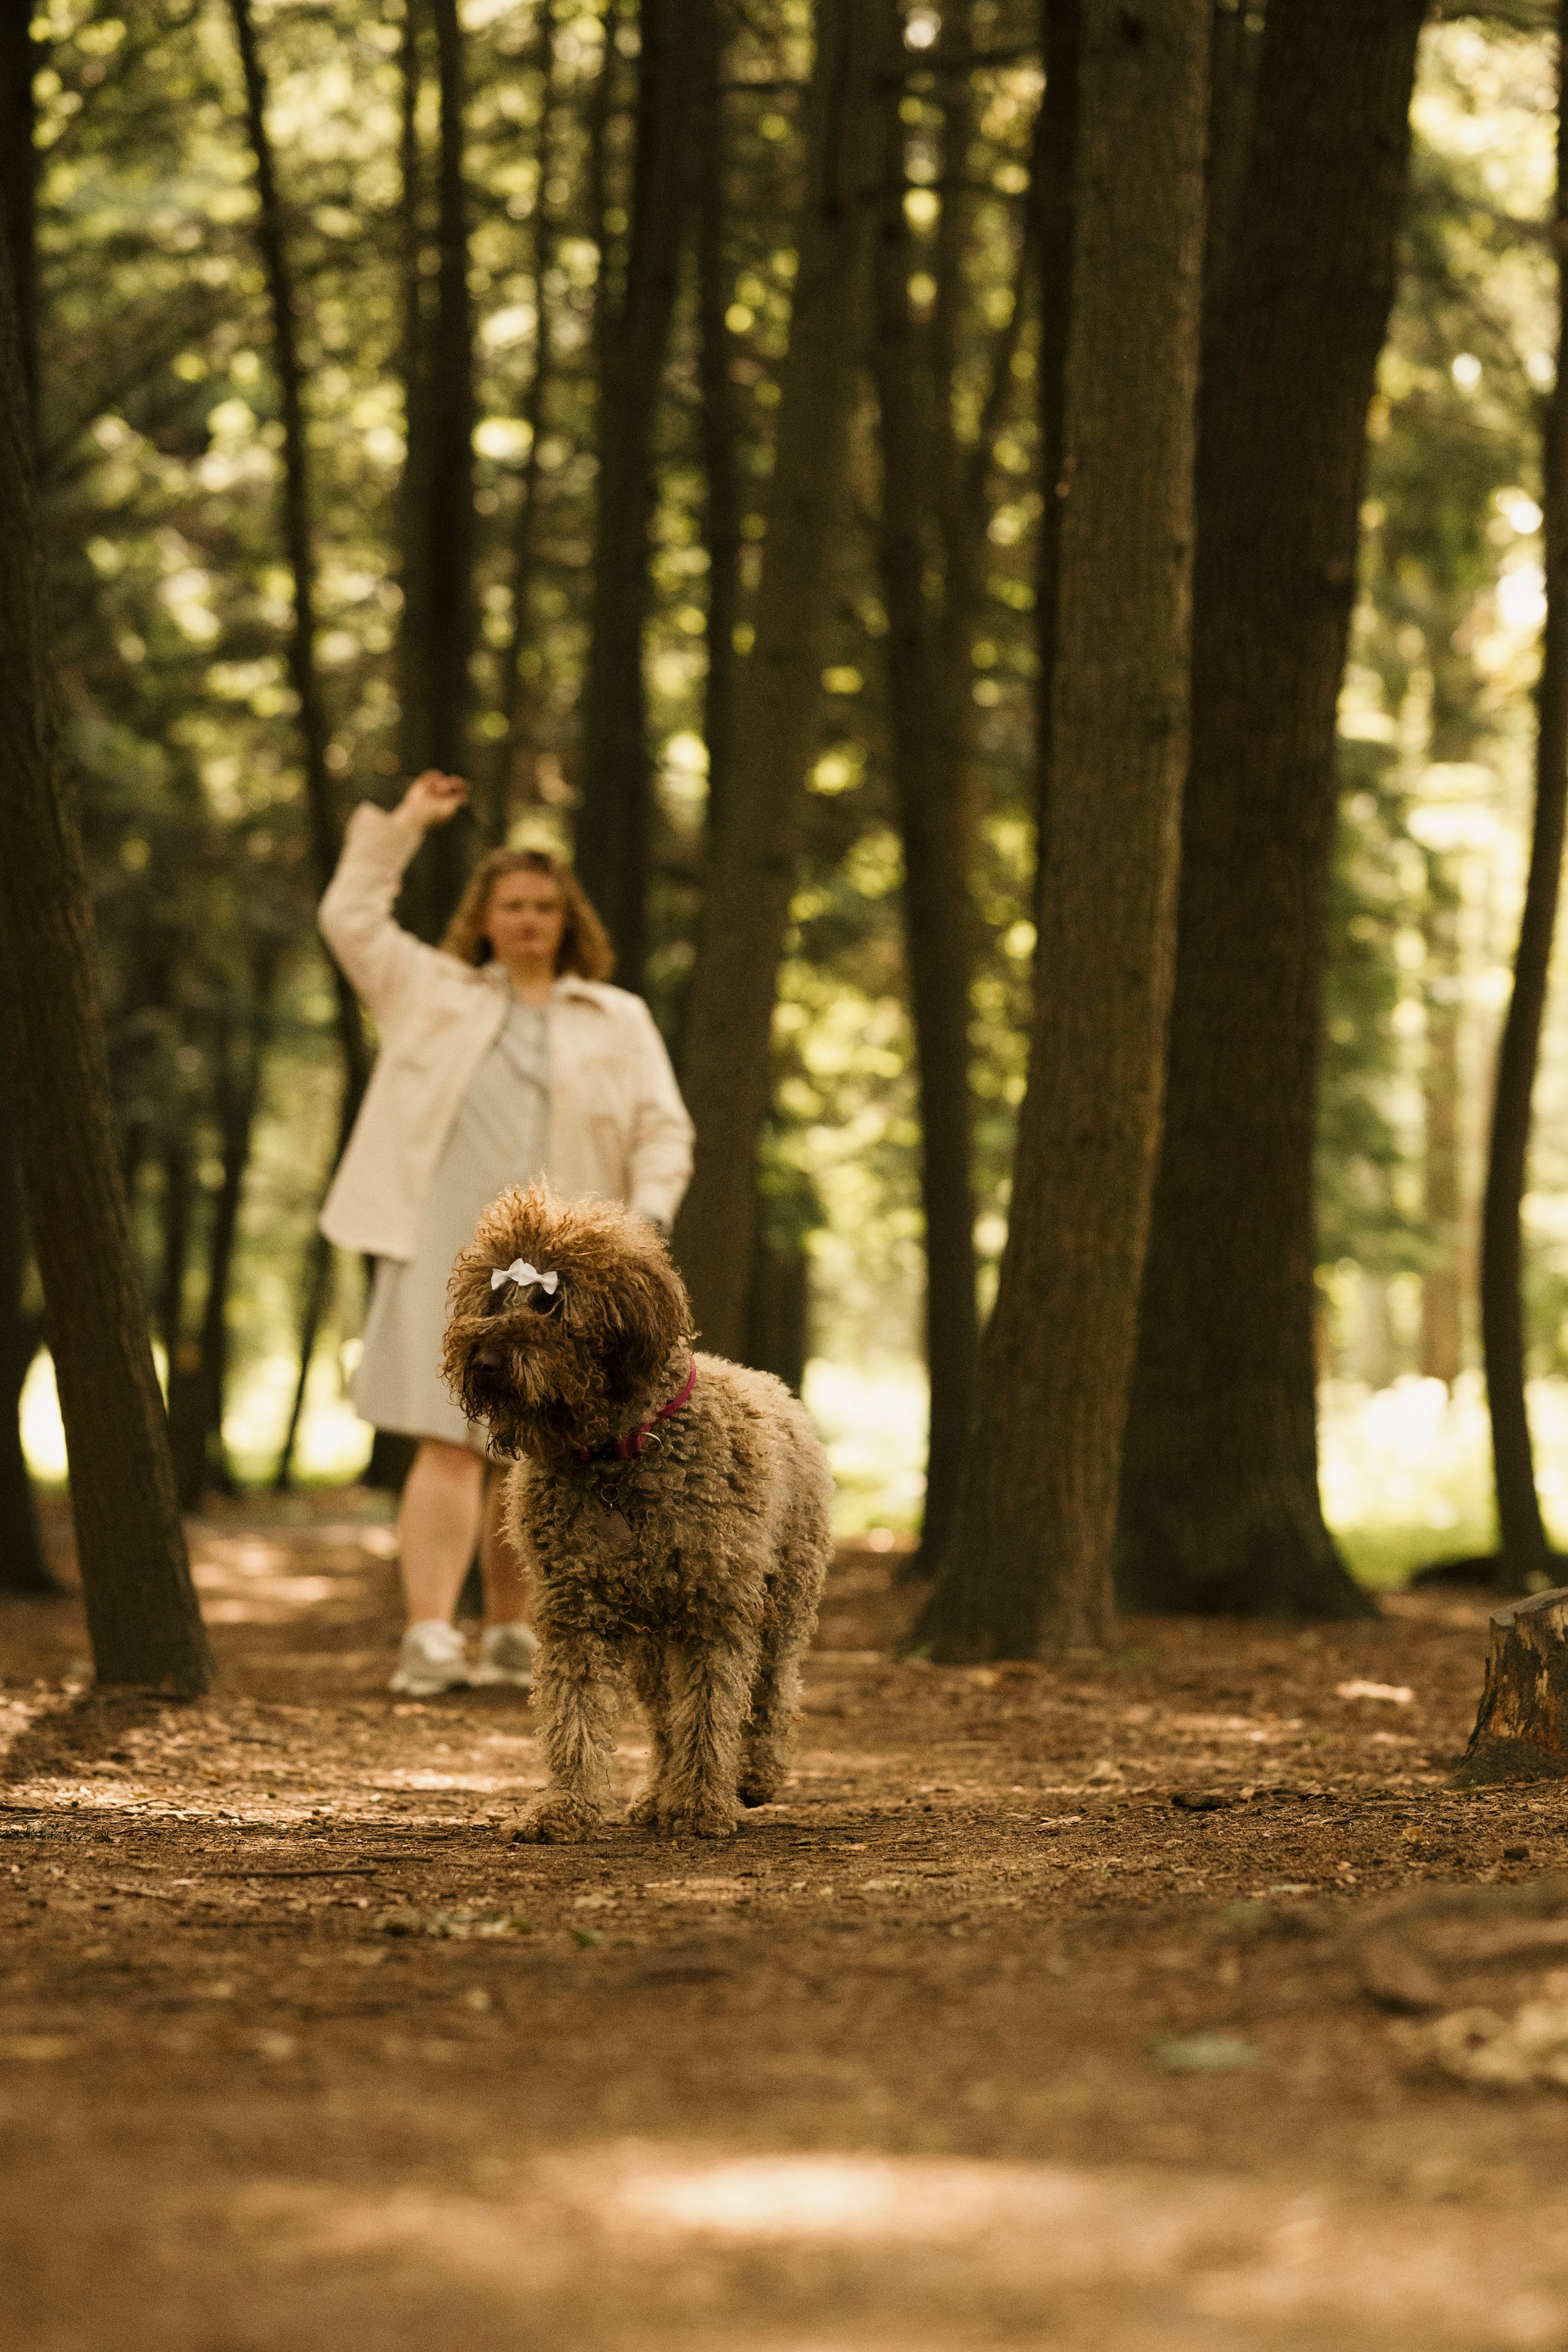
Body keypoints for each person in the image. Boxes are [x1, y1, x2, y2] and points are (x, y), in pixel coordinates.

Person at [317, 770, 694, 1695]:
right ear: (484, 917)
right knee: (446, 1436)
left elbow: (663, 1130)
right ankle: (429, 1634)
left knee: (542, 1438)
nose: (528, 920)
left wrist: (644, 1224)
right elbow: (349, 919)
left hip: (568, 1262)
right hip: (442, 1246)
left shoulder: (618, 1018)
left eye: (544, 906)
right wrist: (408, 824)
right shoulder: (428, 990)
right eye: (512, 905)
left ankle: (513, 1631)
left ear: (568, 921)